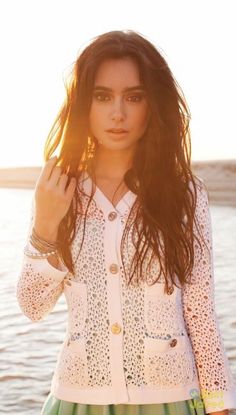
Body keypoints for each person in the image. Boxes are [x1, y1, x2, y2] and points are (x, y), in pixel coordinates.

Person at [16, 30, 236, 415]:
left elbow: (199, 311)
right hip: (78, 398)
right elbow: (33, 307)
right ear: (83, 103)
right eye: (102, 97)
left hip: (170, 398)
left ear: (152, 105)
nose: (118, 113)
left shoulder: (184, 193)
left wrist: (220, 404)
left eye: (133, 97)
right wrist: (45, 228)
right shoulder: (59, 187)